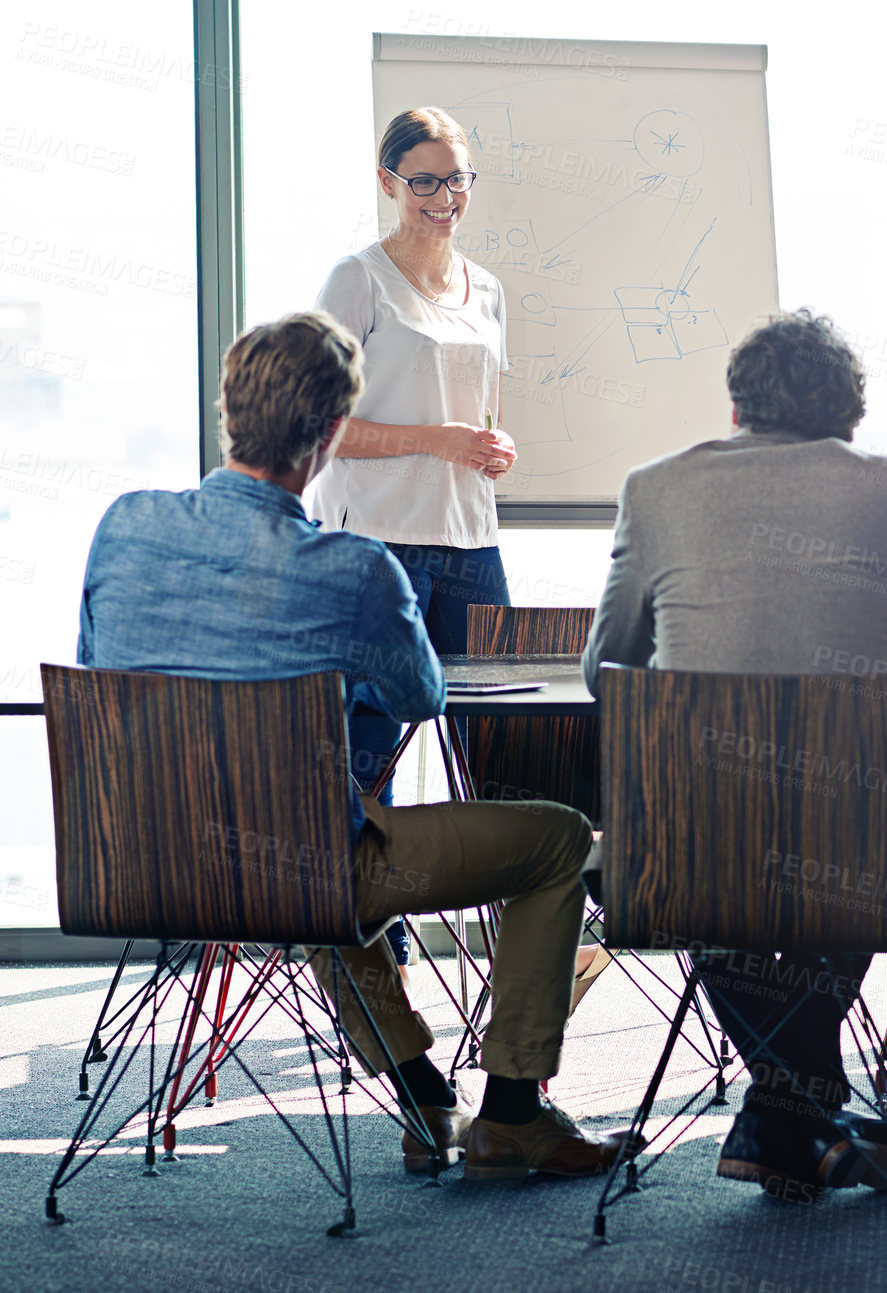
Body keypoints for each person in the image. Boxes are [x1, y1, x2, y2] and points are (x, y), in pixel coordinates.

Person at [77, 312, 628, 1181]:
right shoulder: (351, 567)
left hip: (135, 862)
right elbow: (420, 696)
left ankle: (421, 1091)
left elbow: (97, 667)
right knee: (553, 837)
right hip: (295, 871)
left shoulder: (123, 528)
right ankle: (514, 1112)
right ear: (332, 436)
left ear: (228, 412)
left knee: (312, 840)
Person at [581, 309, 887, 1200]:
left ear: (738, 407)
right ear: (851, 410)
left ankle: (791, 1113)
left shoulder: (655, 487)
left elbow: (605, 669)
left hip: (692, 840)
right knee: (862, 852)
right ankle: (804, 1114)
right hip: (857, 839)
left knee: (713, 898)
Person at [310, 106, 520, 982]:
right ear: (390, 181)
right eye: (425, 179)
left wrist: (489, 449)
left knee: (505, 749)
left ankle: (529, 942)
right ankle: (377, 949)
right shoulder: (357, 281)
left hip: (471, 542)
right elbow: (318, 425)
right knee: (369, 756)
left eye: (457, 179)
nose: (444, 197)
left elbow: (479, 423)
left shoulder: (489, 288)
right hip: (377, 548)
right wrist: (436, 438)